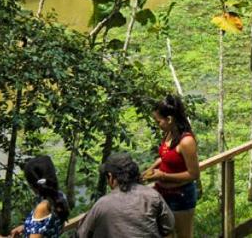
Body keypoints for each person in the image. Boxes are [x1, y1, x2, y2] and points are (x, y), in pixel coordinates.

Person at [78, 152, 175, 237]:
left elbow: (82, 234)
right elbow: (168, 228)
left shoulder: (102, 205)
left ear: (111, 177)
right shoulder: (153, 196)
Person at [142, 94, 199, 238]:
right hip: (162, 193)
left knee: (183, 235)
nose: (157, 124)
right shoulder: (169, 133)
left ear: (169, 119)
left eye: (158, 121)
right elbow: (165, 155)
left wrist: (163, 175)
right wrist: (151, 168)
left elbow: (194, 174)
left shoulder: (186, 141)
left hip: (180, 196)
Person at [13, 155, 71, 237]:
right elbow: (52, 227)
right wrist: (25, 227)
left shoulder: (42, 207)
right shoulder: (59, 197)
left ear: (33, 184)